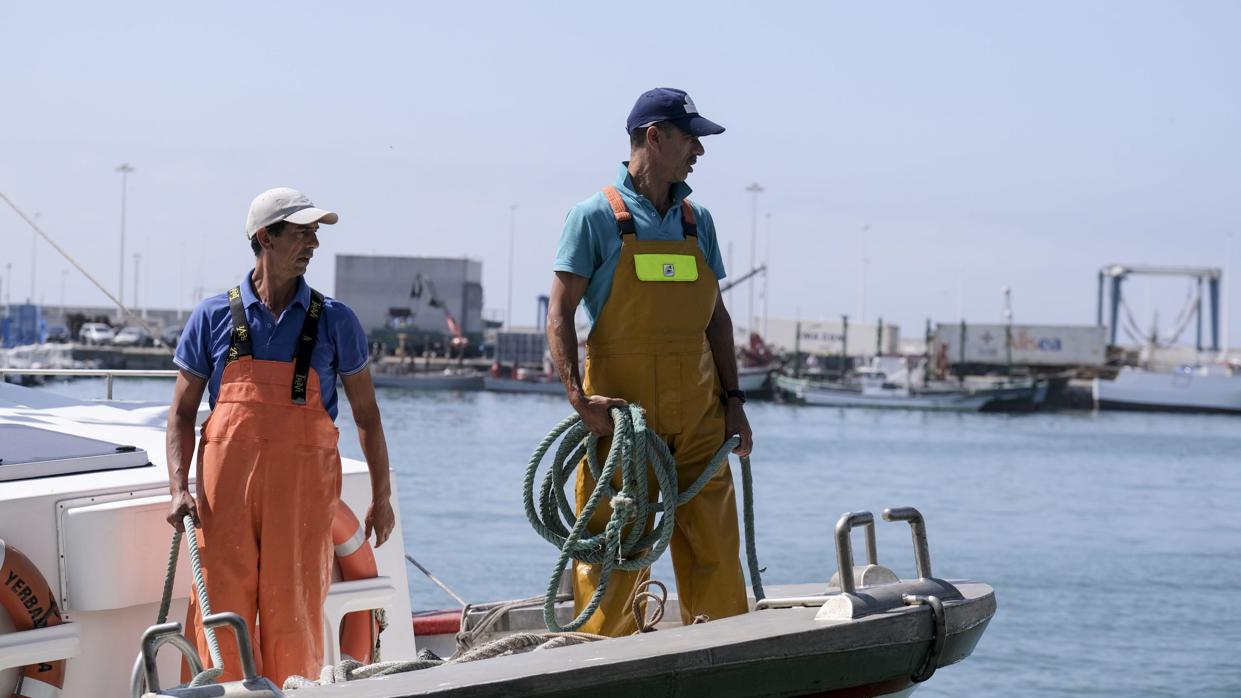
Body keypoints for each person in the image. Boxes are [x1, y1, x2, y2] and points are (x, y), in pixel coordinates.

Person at [164, 187, 396, 686]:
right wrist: (179, 487)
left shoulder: (337, 320)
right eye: (301, 233)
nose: (313, 243)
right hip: (222, 499)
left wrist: (383, 495)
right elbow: (182, 414)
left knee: (295, 611)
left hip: (301, 496)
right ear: (264, 237)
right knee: (221, 609)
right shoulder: (211, 317)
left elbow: (368, 416)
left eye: (315, 233)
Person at [546, 88, 754, 636]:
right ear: (655, 137)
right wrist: (577, 397)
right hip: (623, 422)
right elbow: (560, 314)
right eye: (691, 139)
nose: (699, 153)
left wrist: (735, 404)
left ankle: (727, 654)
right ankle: (606, 663)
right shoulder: (593, 217)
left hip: (701, 418)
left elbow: (718, 321)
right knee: (616, 544)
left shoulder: (697, 221)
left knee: (715, 546)